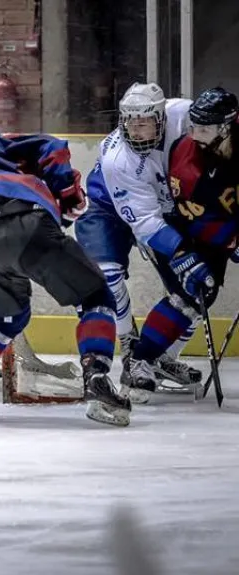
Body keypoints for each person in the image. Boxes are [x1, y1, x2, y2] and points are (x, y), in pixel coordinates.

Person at [0, 117, 131, 426]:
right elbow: (53, 146)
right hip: (27, 221)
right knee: (96, 295)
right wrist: (67, 192)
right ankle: (96, 375)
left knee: (5, 318)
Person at [73, 82, 202, 397]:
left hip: (164, 207)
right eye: (129, 121)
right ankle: (131, 348)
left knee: (195, 288)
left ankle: (160, 358)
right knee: (106, 276)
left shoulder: (184, 115)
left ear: (161, 119)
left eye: (144, 121)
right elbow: (144, 223)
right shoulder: (119, 156)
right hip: (107, 207)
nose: (136, 128)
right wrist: (183, 251)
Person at [124, 87, 239, 400]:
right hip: (189, 227)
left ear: (227, 126)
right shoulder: (188, 161)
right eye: (193, 127)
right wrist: (231, 241)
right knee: (192, 291)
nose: (195, 134)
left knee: (203, 293)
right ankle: (140, 359)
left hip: (223, 221)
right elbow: (198, 219)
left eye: (204, 128)